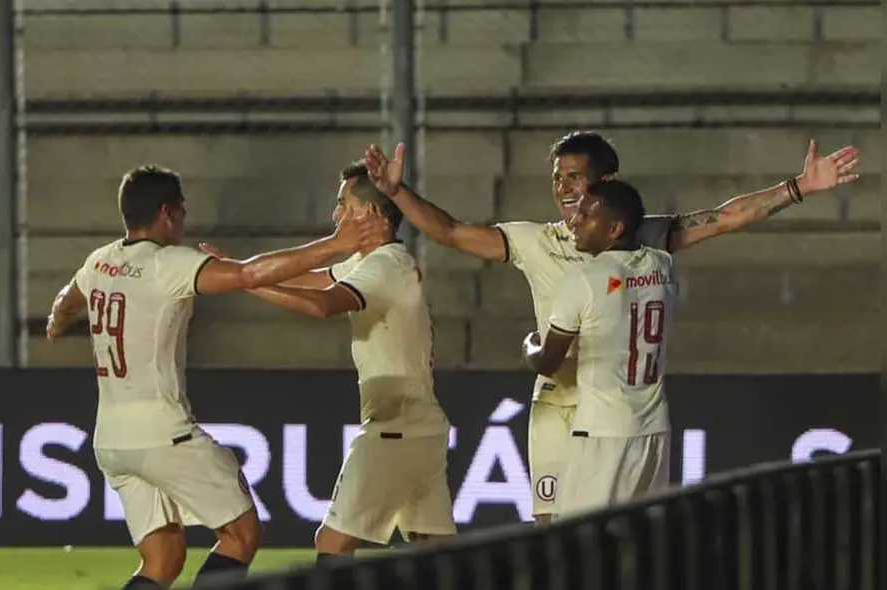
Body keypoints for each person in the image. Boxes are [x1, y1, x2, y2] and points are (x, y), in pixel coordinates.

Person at [363, 132, 861, 523]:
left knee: (609, 536)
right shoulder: (535, 241)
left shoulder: (642, 235)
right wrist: (397, 193)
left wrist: (798, 187)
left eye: (575, 178)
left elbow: (725, 217)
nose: (563, 188)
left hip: (617, 415)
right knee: (554, 532)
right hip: (559, 408)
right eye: (557, 177)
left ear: (605, 183)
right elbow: (451, 232)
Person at [44, 165, 382, 590]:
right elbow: (247, 274)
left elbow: (67, 299)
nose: (184, 219)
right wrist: (337, 244)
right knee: (241, 533)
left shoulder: (100, 261)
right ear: (166, 213)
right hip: (163, 435)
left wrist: (56, 321)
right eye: (181, 210)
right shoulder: (167, 264)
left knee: (162, 560)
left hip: (111, 441)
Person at [201, 161, 457, 563]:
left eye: (342, 205)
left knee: (332, 544)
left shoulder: (385, 266)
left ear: (367, 213)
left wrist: (246, 283)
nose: (335, 215)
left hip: (394, 427)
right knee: (433, 548)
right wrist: (241, 271)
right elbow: (313, 279)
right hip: (419, 425)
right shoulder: (374, 262)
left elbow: (322, 305)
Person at [522, 180, 676, 515]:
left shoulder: (584, 280)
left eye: (586, 215)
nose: (573, 222)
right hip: (654, 429)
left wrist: (530, 345)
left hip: (602, 432)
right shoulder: (664, 265)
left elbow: (547, 362)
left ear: (614, 228)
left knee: (578, 535)